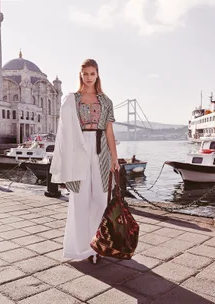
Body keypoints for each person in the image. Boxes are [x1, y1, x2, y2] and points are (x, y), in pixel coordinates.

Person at [50, 58, 120, 264]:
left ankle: (98, 245)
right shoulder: (72, 99)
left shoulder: (106, 101)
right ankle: (80, 248)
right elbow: (65, 131)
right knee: (79, 201)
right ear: (80, 75)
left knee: (100, 200)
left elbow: (109, 131)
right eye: (85, 73)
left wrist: (115, 158)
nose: (89, 77)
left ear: (98, 74)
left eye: (92, 73)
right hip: (78, 149)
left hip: (101, 151)